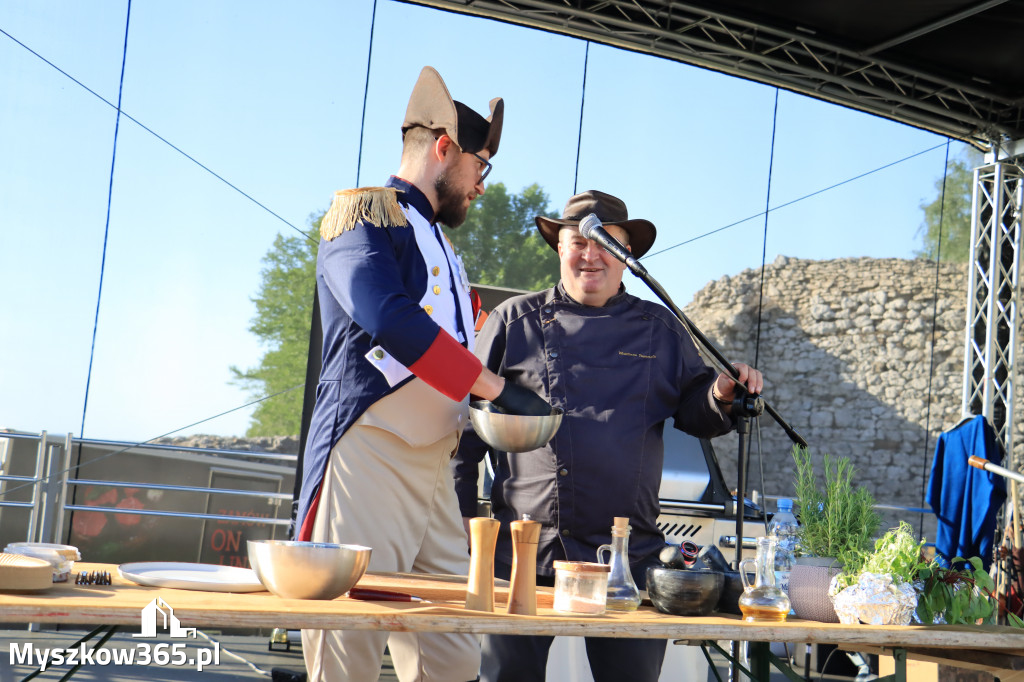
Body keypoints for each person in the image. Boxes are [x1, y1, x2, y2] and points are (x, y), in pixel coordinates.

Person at [295, 66, 551, 682]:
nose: (482, 187)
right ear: (444, 148)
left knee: (453, 653)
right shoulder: (362, 218)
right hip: (370, 456)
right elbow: (387, 315)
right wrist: (491, 387)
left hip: (438, 468)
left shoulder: (441, 246)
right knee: (346, 652)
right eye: (480, 168)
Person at [452, 190, 763, 682]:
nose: (590, 255)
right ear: (559, 248)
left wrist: (723, 392)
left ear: (628, 256)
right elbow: (465, 433)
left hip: (626, 559)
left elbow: (697, 412)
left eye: (606, 244)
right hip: (525, 552)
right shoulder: (515, 321)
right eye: (578, 241)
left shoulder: (659, 328)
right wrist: (465, 528)